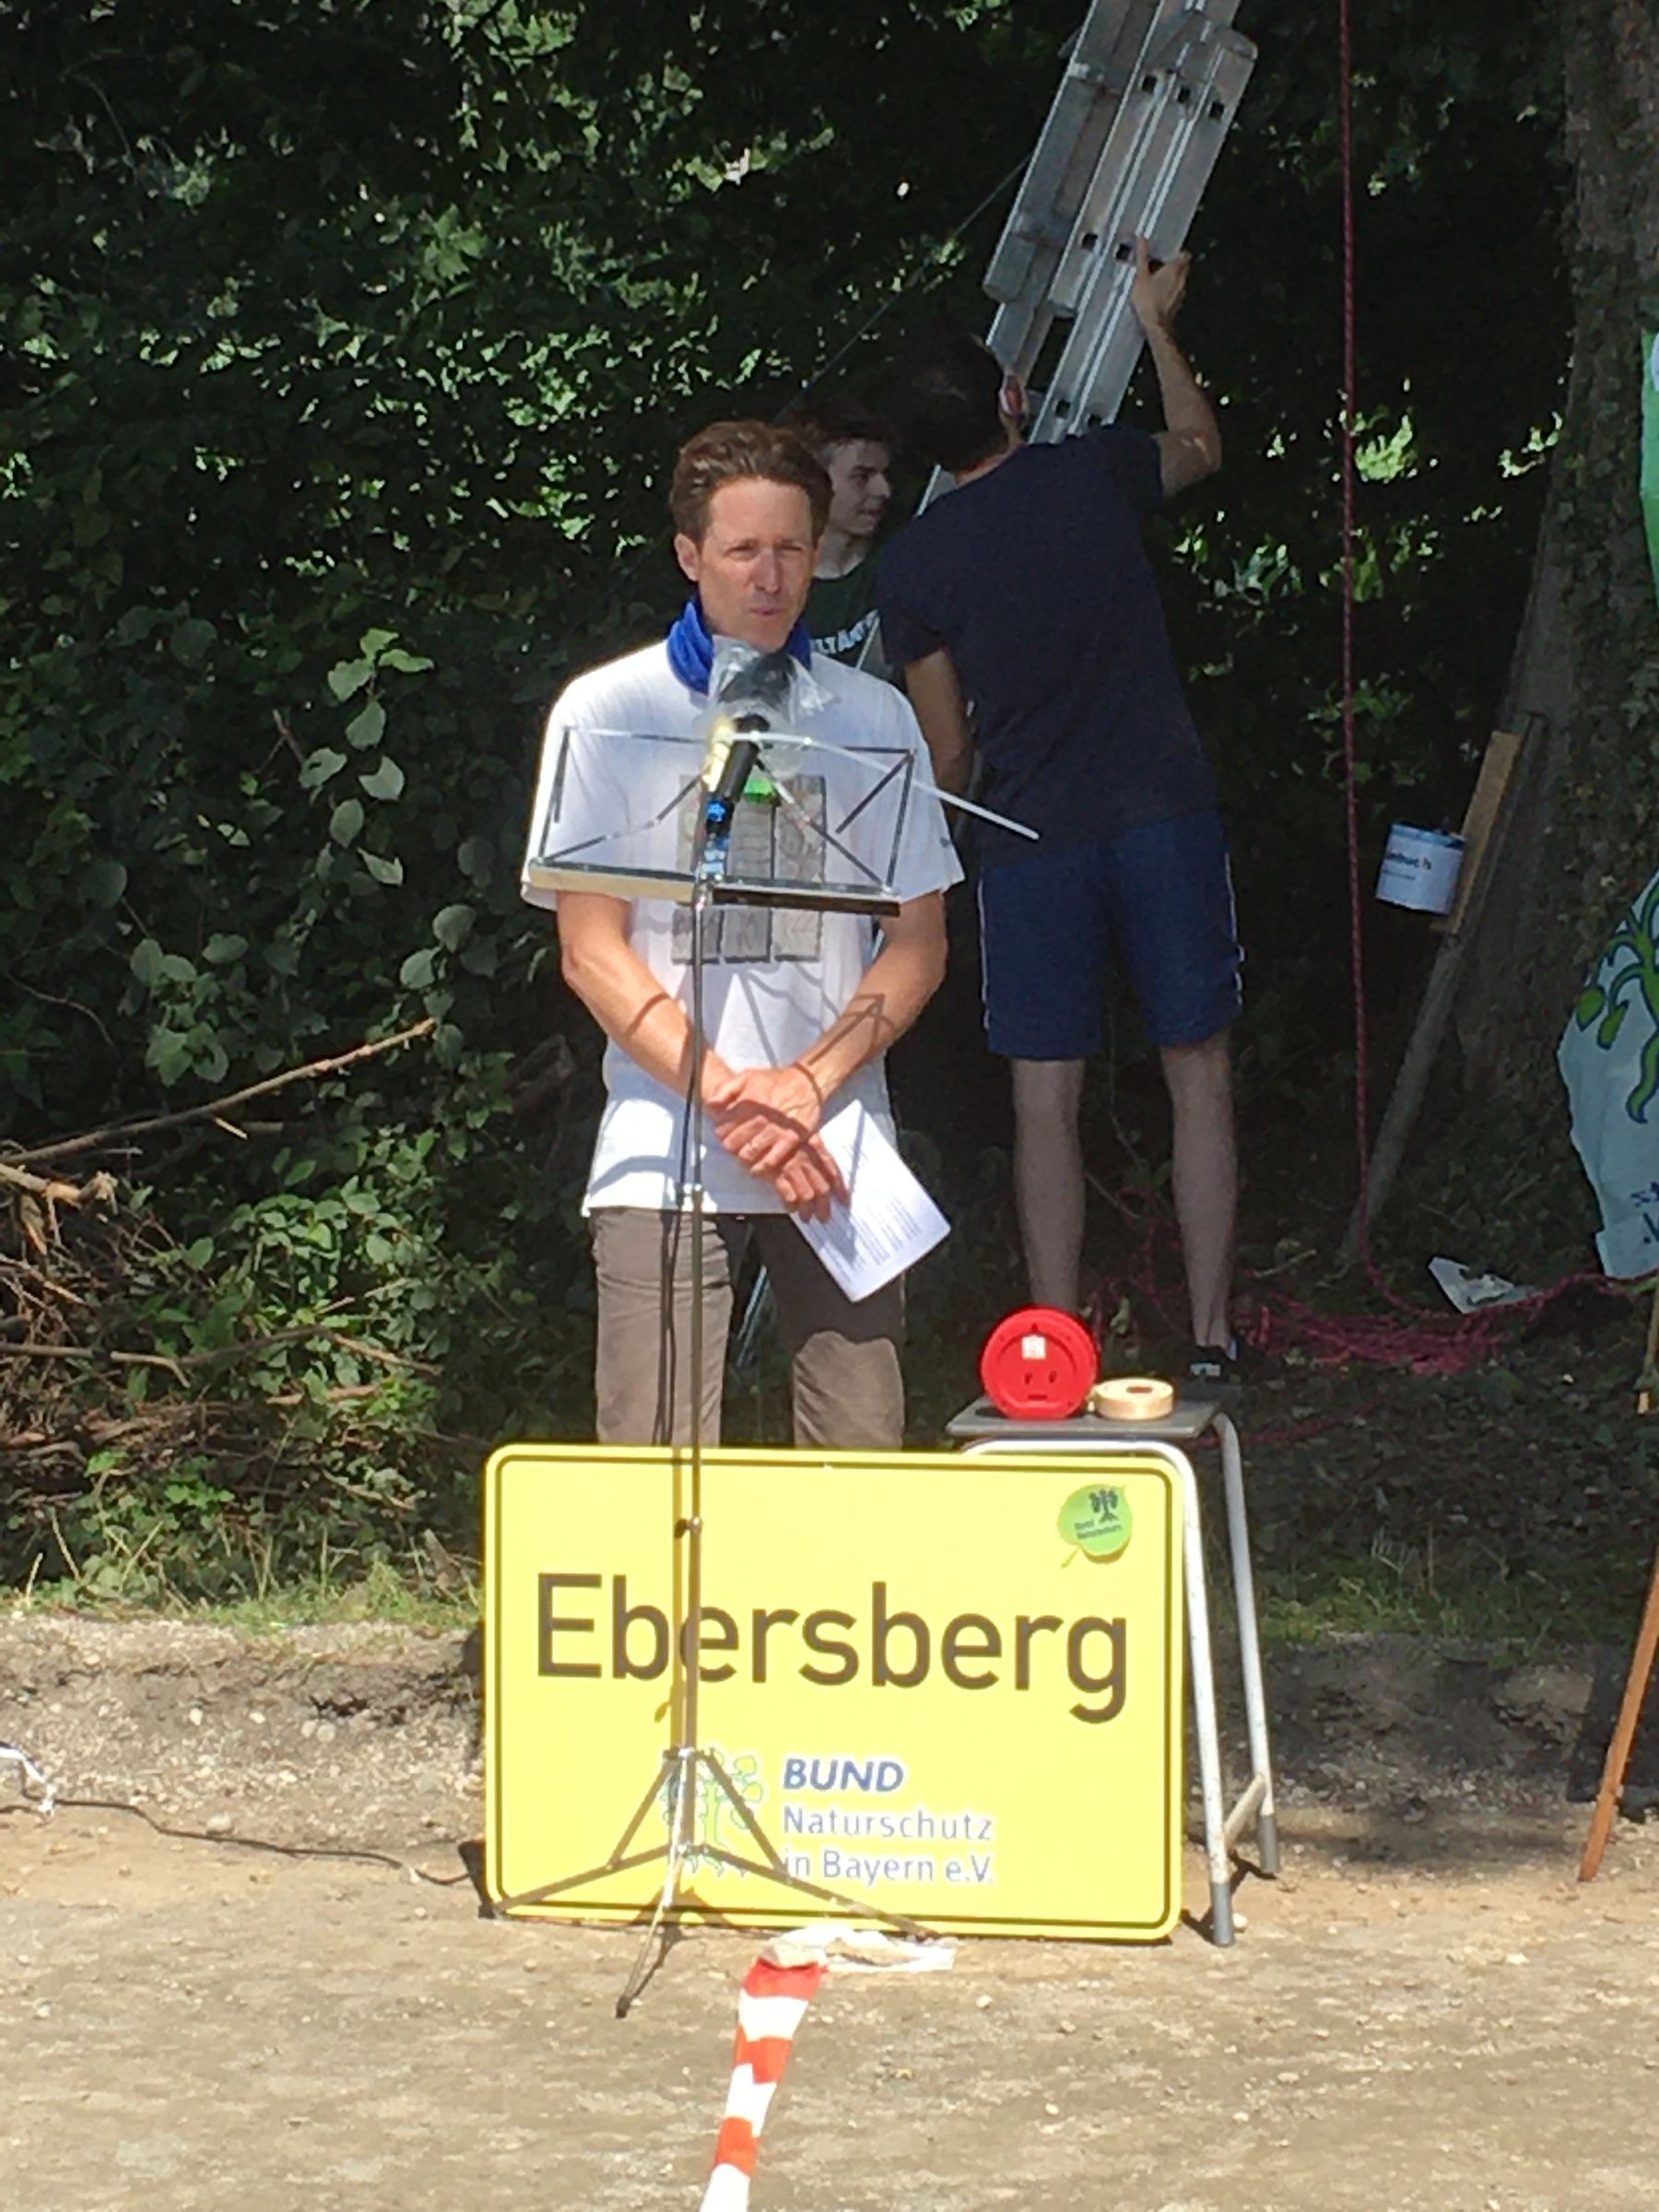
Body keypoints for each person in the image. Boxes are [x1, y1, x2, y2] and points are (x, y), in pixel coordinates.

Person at [522, 419, 960, 1447]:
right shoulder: (609, 709)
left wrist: (805, 1087)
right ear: (690, 555)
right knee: (652, 1463)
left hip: (835, 1138)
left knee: (860, 1459)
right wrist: (731, 1094)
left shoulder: (872, 717)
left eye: (792, 550)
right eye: (742, 550)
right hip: (664, 1144)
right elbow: (590, 950)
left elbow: (921, 942)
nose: (770, 576)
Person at [878, 241, 1241, 1382]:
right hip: (1161, 815)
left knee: (1045, 1099)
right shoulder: (1093, 473)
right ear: (1011, 399)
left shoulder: (916, 569)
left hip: (1030, 841)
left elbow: (948, 750)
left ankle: (1055, 1351)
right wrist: (1156, 326)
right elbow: (1200, 448)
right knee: (1199, 1069)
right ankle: (1215, 1337)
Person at [784, 393, 898, 666]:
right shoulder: (773, 587)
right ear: (811, 483)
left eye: (885, 475)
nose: (884, 491)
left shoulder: (901, 560)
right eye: (862, 477)